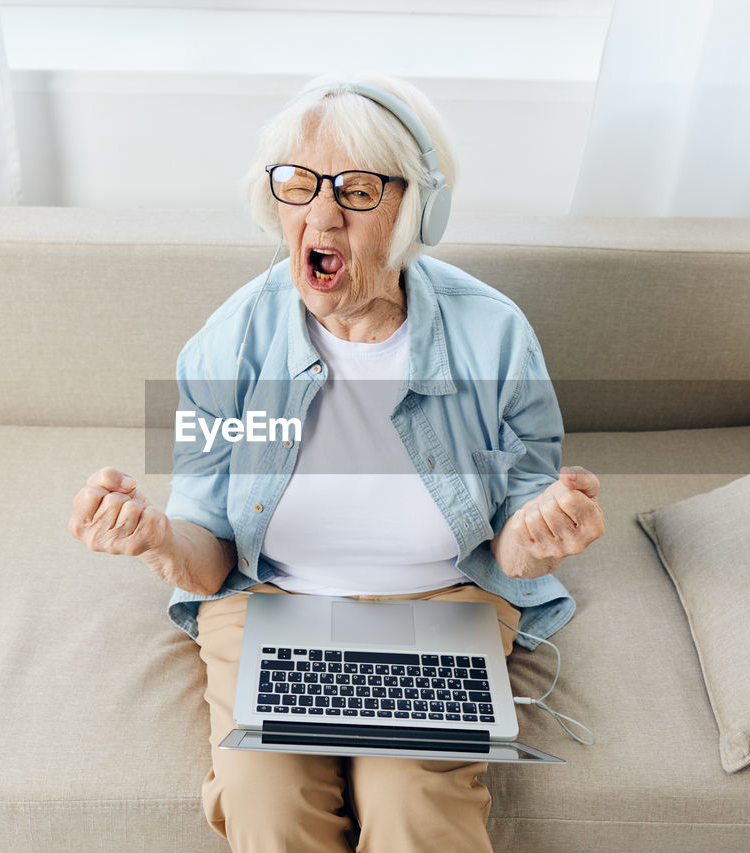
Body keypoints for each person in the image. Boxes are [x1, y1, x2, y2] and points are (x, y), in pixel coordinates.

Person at [68, 72, 605, 853]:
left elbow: (514, 546)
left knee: (416, 807)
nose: (320, 214)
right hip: (270, 599)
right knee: (267, 798)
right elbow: (210, 552)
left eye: (356, 190)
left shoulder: (494, 335)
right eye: (299, 184)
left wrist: (543, 530)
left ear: (416, 209)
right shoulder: (229, 342)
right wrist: (155, 537)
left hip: (441, 605)